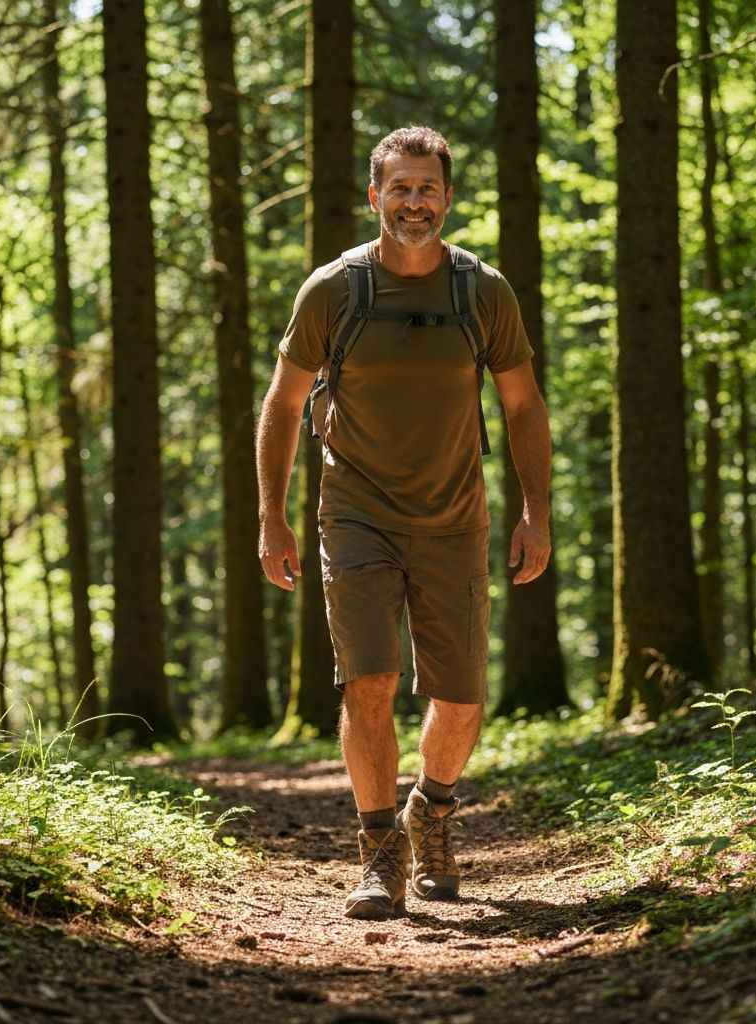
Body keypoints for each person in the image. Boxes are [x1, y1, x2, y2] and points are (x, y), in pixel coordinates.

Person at [256, 125, 552, 920]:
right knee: (371, 679)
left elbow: (524, 406)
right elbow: (283, 404)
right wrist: (271, 518)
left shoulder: (483, 292)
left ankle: (434, 810)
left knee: (460, 696)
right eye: (400, 188)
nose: (413, 202)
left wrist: (535, 511)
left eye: (427, 189)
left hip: (456, 518)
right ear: (375, 196)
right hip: (354, 514)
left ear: (447, 198)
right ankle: (380, 851)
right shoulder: (333, 290)